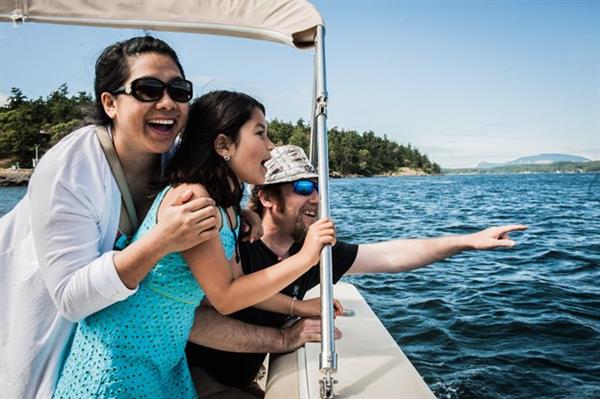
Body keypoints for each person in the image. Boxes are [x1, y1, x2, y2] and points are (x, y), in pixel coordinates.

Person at [52, 91, 337, 398]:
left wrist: (297, 306)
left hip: (162, 353)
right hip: (122, 355)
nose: (270, 147)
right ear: (223, 145)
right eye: (261, 134)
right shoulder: (194, 200)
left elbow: (238, 282)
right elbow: (225, 297)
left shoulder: (225, 205)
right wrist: (306, 257)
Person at [185, 144, 528, 398]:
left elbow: (390, 255)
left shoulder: (313, 251)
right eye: (303, 187)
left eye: (317, 185)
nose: (316, 197)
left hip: (241, 379)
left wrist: (466, 241)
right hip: (193, 377)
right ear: (267, 198)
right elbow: (195, 319)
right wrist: (283, 337)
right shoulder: (236, 245)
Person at [0, 36, 225, 399]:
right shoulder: (71, 168)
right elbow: (71, 298)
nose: (167, 102)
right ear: (110, 103)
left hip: (123, 351)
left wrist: (243, 214)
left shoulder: (174, 157)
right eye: (148, 89)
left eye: (179, 90)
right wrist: (161, 241)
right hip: (47, 328)